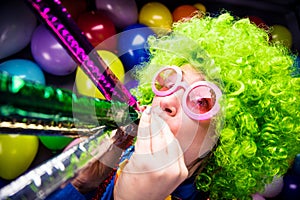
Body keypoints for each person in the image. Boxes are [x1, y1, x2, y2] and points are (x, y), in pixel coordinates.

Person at [48, 12, 300, 199]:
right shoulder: (123, 152)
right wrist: (81, 185)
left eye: (202, 101)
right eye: (169, 82)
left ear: (226, 146)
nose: (167, 100)